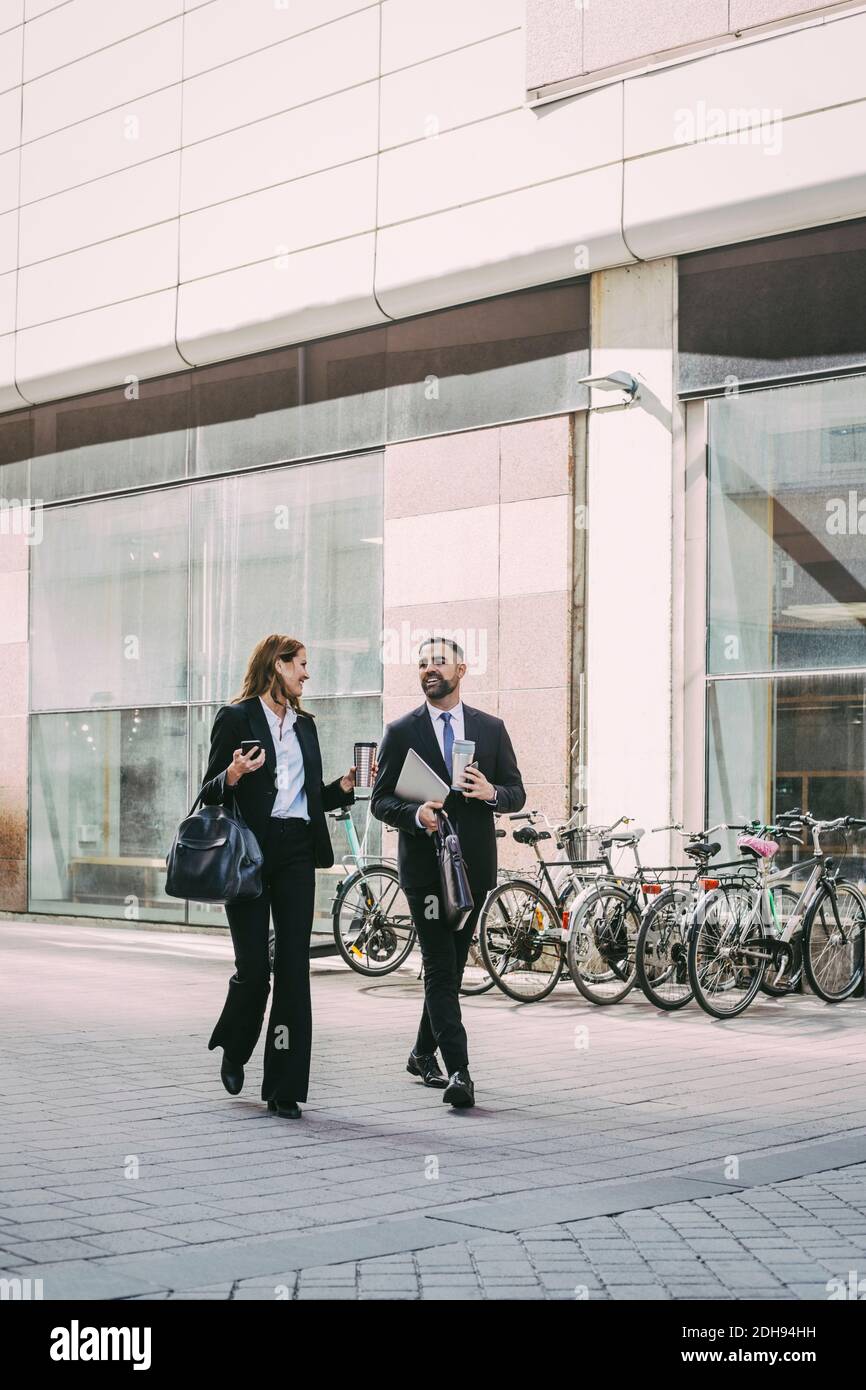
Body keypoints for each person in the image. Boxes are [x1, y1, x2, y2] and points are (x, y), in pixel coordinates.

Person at [199, 634, 359, 1119]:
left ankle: (284, 1087)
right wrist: (231, 776)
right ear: (278, 665)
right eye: (302, 665)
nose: (307, 674)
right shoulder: (237, 718)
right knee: (254, 969)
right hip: (248, 853)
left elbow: (308, 797)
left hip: (295, 853)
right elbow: (208, 795)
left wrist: (342, 789)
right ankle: (235, 1045)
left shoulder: (305, 727)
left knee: (294, 967)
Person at [371, 636, 525, 1108]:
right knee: (439, 965)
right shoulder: (400, 732)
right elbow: (380, 801)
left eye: (438, 661)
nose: (428, 669)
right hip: (423, 869)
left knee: (453, 967)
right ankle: (460, 1071)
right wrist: (416, 816)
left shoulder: (491, 729)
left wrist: (489, 793)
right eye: (421, 663)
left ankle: (421, 1052)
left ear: (461, 669)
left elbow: (516, 792)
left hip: (472, 869)